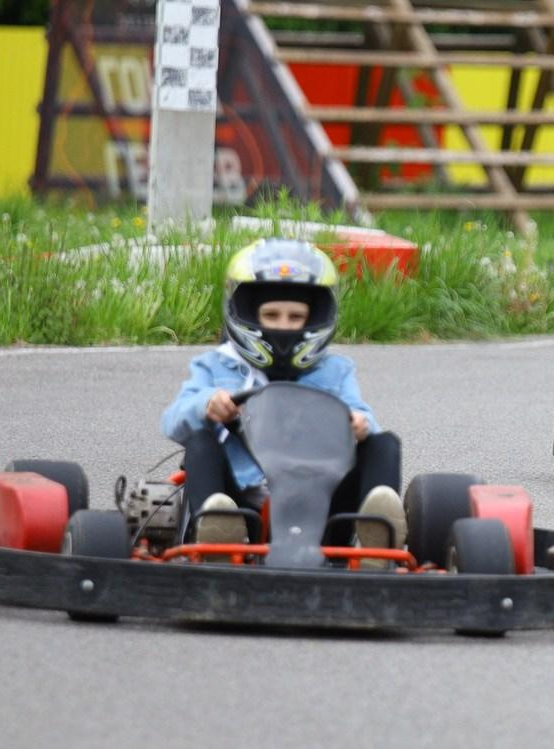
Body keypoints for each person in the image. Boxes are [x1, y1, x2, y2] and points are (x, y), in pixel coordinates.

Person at [160, 237, 405, 555]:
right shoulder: (216, 366)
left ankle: (377, 540)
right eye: (272, 315)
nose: (284, 326)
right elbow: (173, 421)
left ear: (314, 317)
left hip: (324, 502)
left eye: (295, 317)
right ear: (248, 313)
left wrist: (359, 424)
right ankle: (217, 532)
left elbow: (361, 414)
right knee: (199, 441)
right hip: (243, 502)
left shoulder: (334, 371)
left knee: (383, 442)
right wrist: (207, 404)